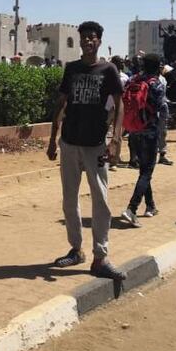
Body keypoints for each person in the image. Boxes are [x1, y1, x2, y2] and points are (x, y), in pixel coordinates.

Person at [46, 21, 126, 280]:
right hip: (69, 143)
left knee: (101, 201)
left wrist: (116, 138)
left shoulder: (109, 69)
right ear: (80, 41)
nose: (88, 41)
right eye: (84, 37)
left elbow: (120, 105)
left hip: (96, 146)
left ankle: (100, 257)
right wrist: (52, 138)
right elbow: (61, 103)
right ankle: (76, 250)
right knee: (70, 200)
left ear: (99, 41)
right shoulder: (71, 69)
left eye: (92, 37)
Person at [121, 54, 163, 227]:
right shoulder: (157, 84)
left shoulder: (134, 79)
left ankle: (150, 206)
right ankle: (132, 208)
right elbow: (160, 107)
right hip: (150, 131)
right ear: (157, 66)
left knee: (144, 171)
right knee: (147, 172)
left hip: (134, 130)